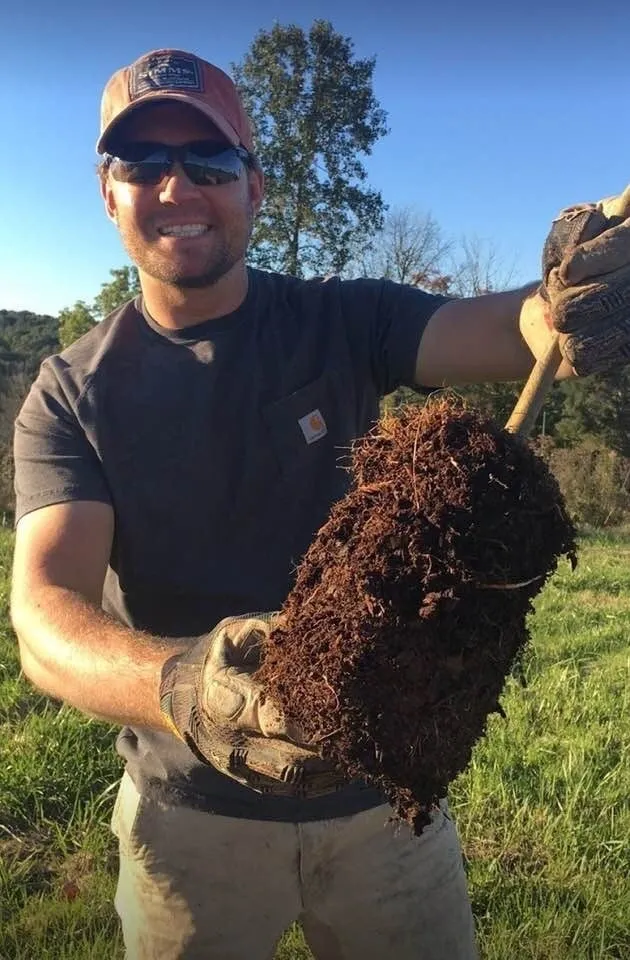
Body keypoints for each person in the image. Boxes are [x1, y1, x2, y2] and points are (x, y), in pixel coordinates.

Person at [10, 48, 630, 960]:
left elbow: (513, 328)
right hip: (191, 823)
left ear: (254, 188)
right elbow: (44, 617)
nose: (177, 186)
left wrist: (571, 297)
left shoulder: (341, 321)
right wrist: (186, 686)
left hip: (390, 806)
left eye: (210, 163)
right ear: (109, 193)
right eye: (144, 163)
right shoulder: (72, 393)